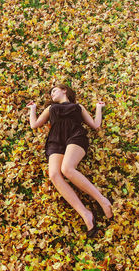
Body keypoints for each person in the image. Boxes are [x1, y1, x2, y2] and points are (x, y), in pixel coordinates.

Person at [26, 83, 114, 238]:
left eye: (54, 90)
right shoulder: (50, 108)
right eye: (51, 93)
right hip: (55, 141)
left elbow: (95, 125)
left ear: (64, 90)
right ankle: (86, 214)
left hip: (75, 136)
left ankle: (103, 201)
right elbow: (34, 124)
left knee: (67, 169)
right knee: (54, 175)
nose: (52, 94)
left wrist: (99, 108)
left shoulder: (77, 107)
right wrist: (32, 109)